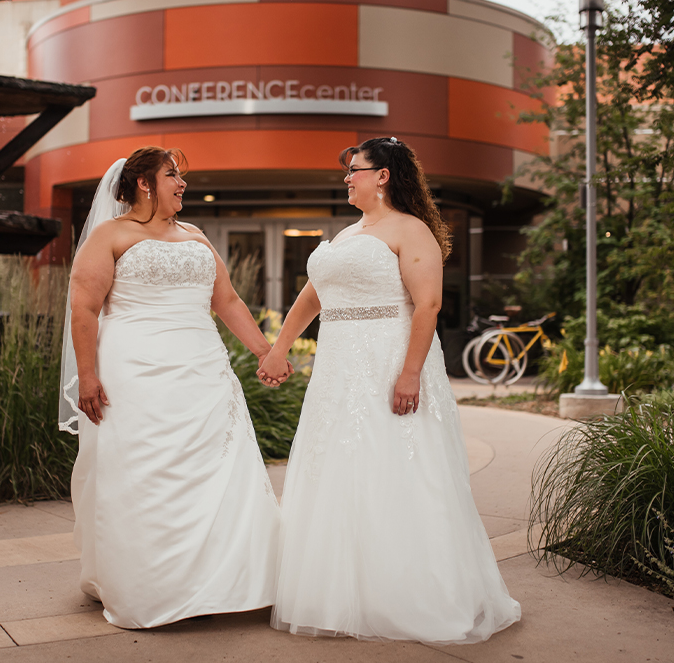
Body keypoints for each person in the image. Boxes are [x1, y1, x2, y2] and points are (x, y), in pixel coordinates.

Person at [258, 136, 521, 644]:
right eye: (347, 172)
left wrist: (408, 375)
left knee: (395, 467)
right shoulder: (349, 233)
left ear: (383, 175)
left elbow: (427, 306)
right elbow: (313, 296)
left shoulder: (411, 230)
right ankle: (335, 594)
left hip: (388, 362)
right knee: (334, 468)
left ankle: (407, 595)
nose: (347, 178)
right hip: (338, 370)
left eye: (354, 170)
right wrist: (279, 347)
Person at [58, 146, 287, 629]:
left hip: (202, 369)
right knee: (147, 473)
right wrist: (89, 375)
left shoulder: (196, 236)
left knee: (219, 469)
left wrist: (267, 351)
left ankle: (231, 583)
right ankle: (152, 585)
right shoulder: (110, 236)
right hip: (135, 370)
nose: (181, 183)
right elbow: (83, 310)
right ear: (144, 183)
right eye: (171, 174)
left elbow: (226, 300)